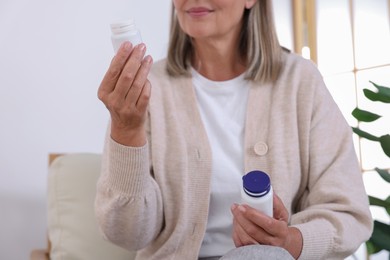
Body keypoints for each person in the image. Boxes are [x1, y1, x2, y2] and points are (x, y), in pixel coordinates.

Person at [95, 0, 373, 259]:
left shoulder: (301, 81)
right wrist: (126, 130)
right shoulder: (147, 89)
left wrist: (291, 240)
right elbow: (127, 233)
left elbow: (349, 214)